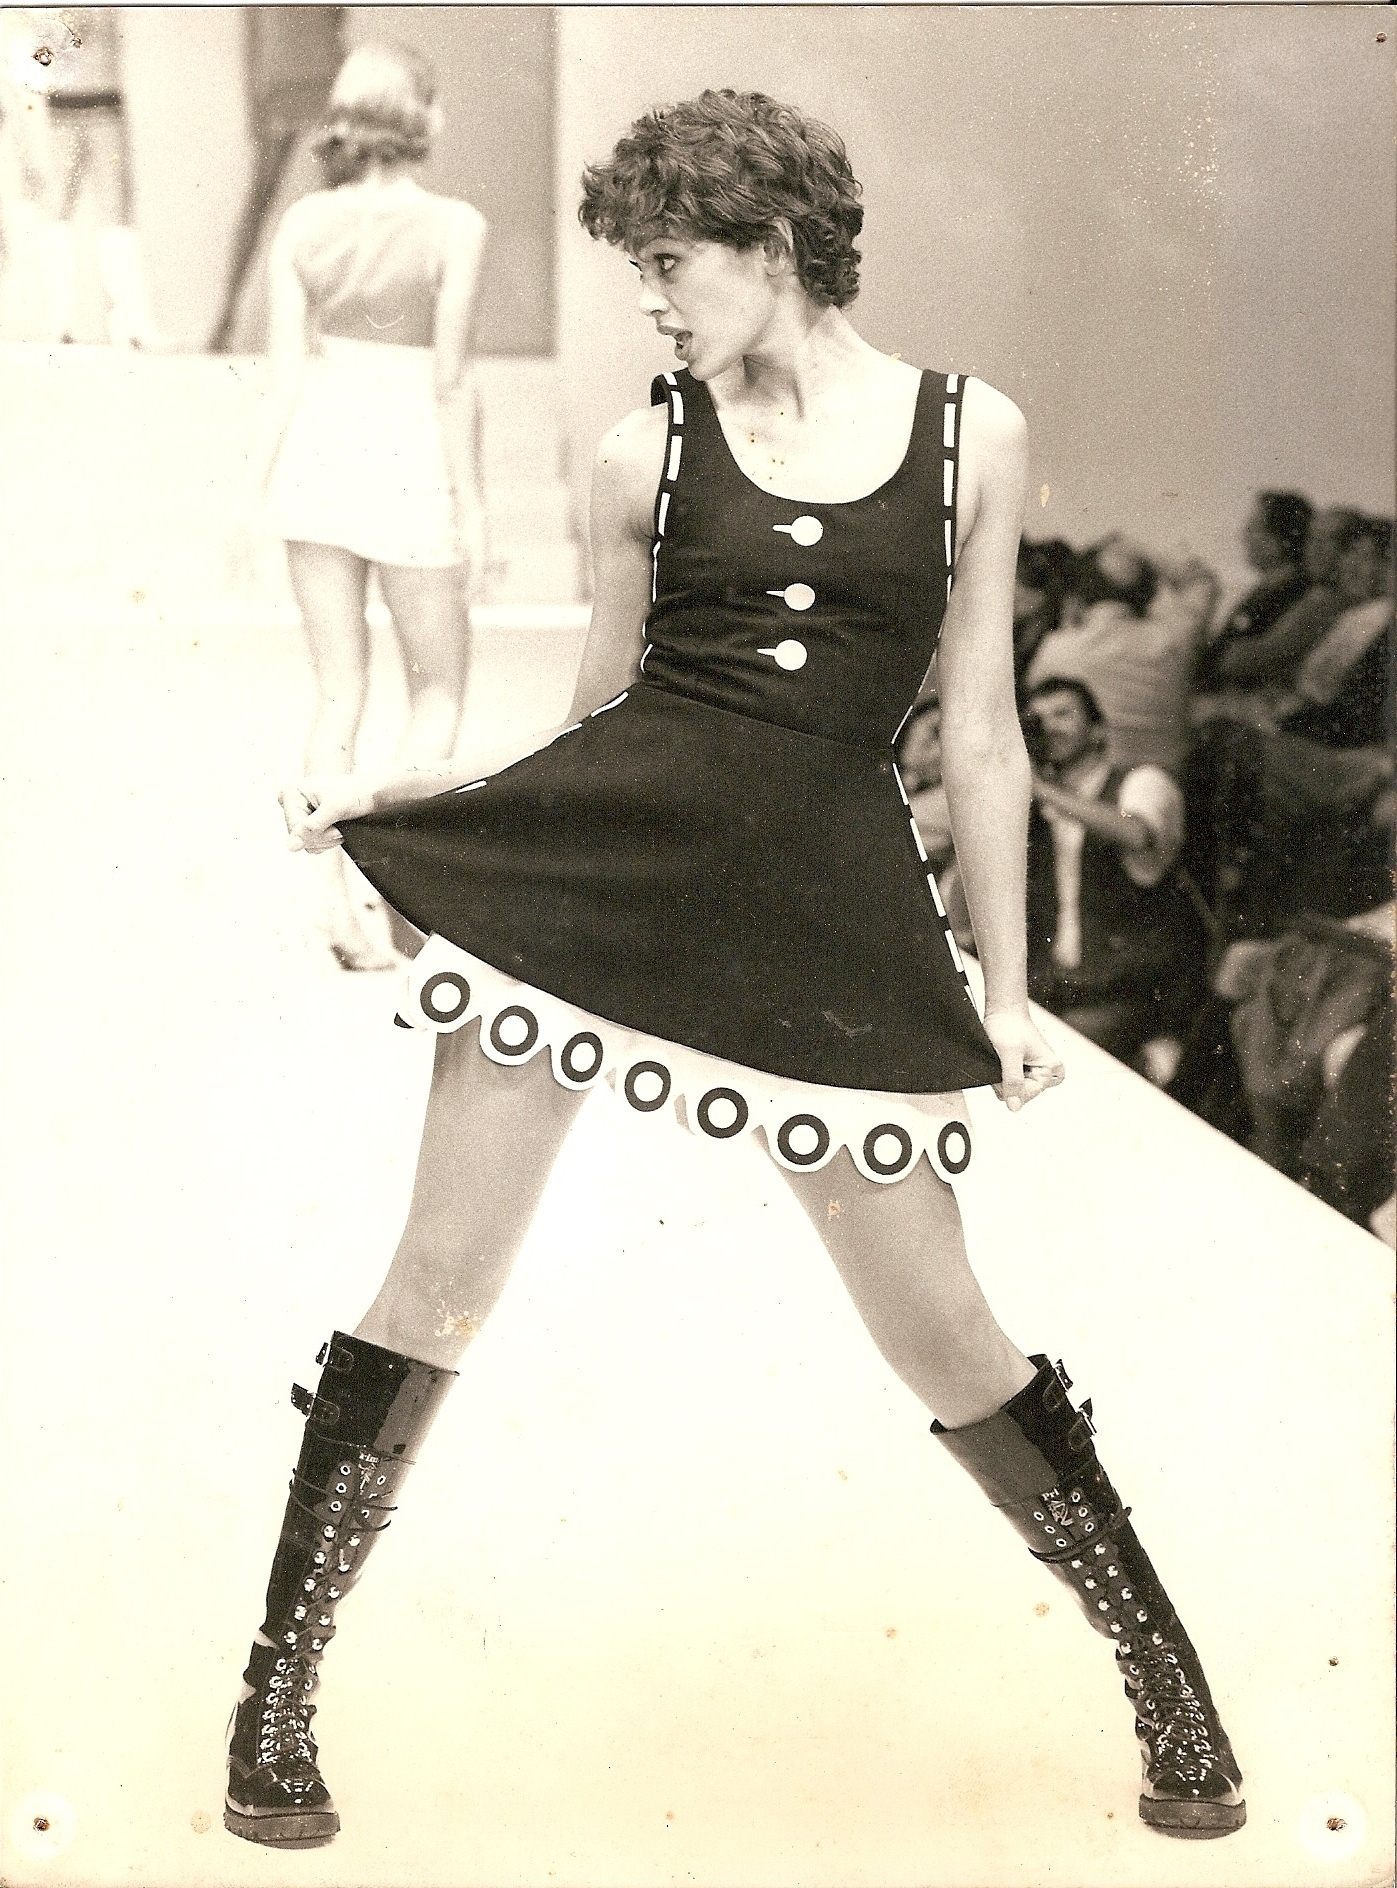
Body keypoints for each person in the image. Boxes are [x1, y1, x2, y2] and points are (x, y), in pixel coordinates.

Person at [224, 91, 1244, 1851]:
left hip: (824, 910)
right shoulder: (642, 456)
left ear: (771, 248)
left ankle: (1168, 1684)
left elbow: (983, 734)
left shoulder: (972, 434)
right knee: (437, 1284)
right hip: (607, 884)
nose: (649, 301)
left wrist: (1007, 991)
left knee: (942, 1331)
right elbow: (594, 728)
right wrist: (411, 806)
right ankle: (276, 1689)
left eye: (666, 263)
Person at [258, 42, 488, 969]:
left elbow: (282, 376)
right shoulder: (455, 227)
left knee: (337, 691)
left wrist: (254, 490)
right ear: (422, 116)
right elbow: (452, 381)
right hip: (408, 454)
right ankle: (398, 888)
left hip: (318, 452)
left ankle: (329, 906)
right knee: (437, 689)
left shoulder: (304, 224)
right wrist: (474, 507)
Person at [1022, 676, 1201, 1067]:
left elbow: (1137, 834)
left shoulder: (1141, 781)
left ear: (1098, 730)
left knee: (1058, 1056)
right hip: (1057, 985)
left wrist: (1043, 790)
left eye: (1063, 714)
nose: (1049, 727)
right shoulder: (1035, 801)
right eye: (1038, 719)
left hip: (1131, 990)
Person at [1022, 535, 1212, 776]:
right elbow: (1200, 580)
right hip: (1168, 786)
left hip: (1087, 791)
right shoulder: (1177, 639)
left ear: (1078, 597)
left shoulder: (1056, 650)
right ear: (1148, 595)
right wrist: (1137, 547)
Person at [1195, 489, 1312, 692]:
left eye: (1254, 528)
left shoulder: (1292, 592)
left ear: (1278, 540)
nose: (1244, 535)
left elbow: (1234, 659)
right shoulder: (1267, 589)